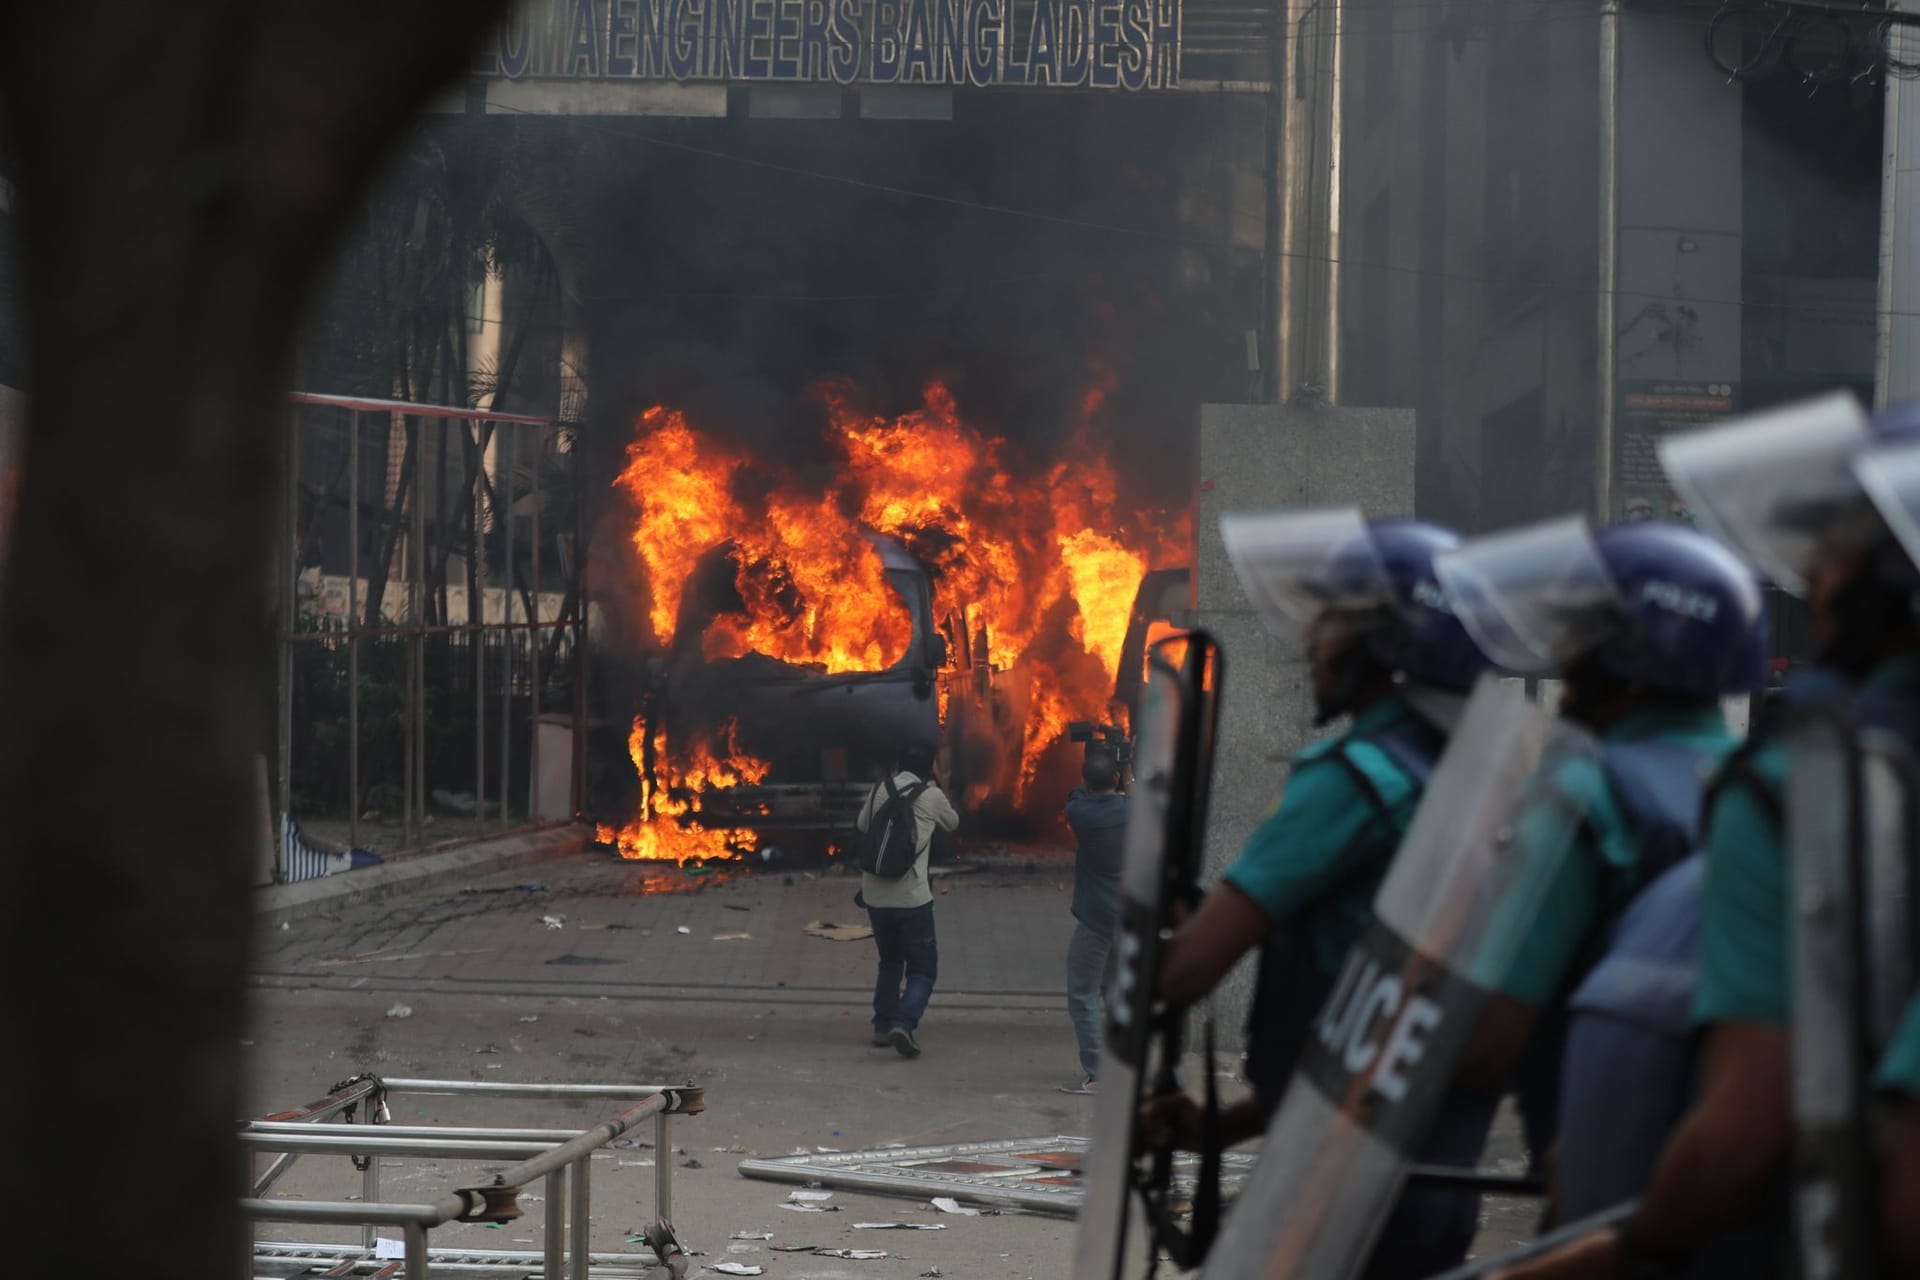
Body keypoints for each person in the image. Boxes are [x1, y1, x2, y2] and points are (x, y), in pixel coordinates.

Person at [1492, 393, 1920, 1278]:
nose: (1819, 582)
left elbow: (1748, 1122)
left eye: (1839, 551)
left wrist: (1609, 1251)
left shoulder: (1801, 796)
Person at [1149, 509, 1494, 1280]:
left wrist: (1151, 963)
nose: (1312, 641)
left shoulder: (1353, 776)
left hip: (1332, 1197)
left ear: (1387, 641)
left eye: (1332, 621)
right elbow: (1378, 1035)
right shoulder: (1457, 783)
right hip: (1433, 1188)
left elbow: (1189, 968)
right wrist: (1222, 1126)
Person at [1432, 518, 1766, 1221]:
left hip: (1598, 1175)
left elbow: (1489, 1036)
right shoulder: (1754, 784)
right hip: (1732, 1185)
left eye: (1577, 639)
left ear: (1624, 658)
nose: (1562, 659)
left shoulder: (1586, 793)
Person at [854, 740, 959, 1059]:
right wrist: (943, 785)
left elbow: (862, 825)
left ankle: (882, 1026)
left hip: (874, 895)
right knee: (923, 970)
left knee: (889, 961)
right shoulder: (932, 796)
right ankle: (903, 1021)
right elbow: (953, 824)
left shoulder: (879, 789)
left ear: (898, 764)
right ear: (930, 768)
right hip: (912, 899)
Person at [1061, 748, 1128, 1095]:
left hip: (1096, 919)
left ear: (1086, 781)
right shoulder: (1133, 811)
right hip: (1127, 915)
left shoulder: (1079, 811)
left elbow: (1075, 793)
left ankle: (1098, 1073)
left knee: (1083, 994)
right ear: (1116, 779)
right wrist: (1125, 774)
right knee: (1114, 990)